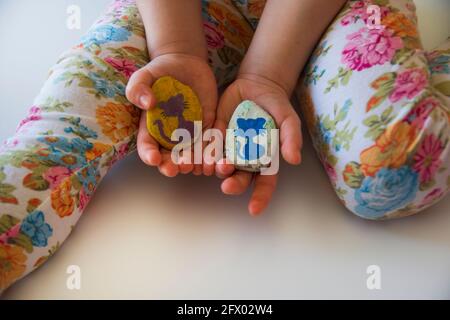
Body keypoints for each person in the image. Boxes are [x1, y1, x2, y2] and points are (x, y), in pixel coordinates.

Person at [0, 0, 448, 292]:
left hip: (338, 10)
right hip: (180, 13)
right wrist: (176, 49)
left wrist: (269, 74)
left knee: (398, 164)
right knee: (68, 117)